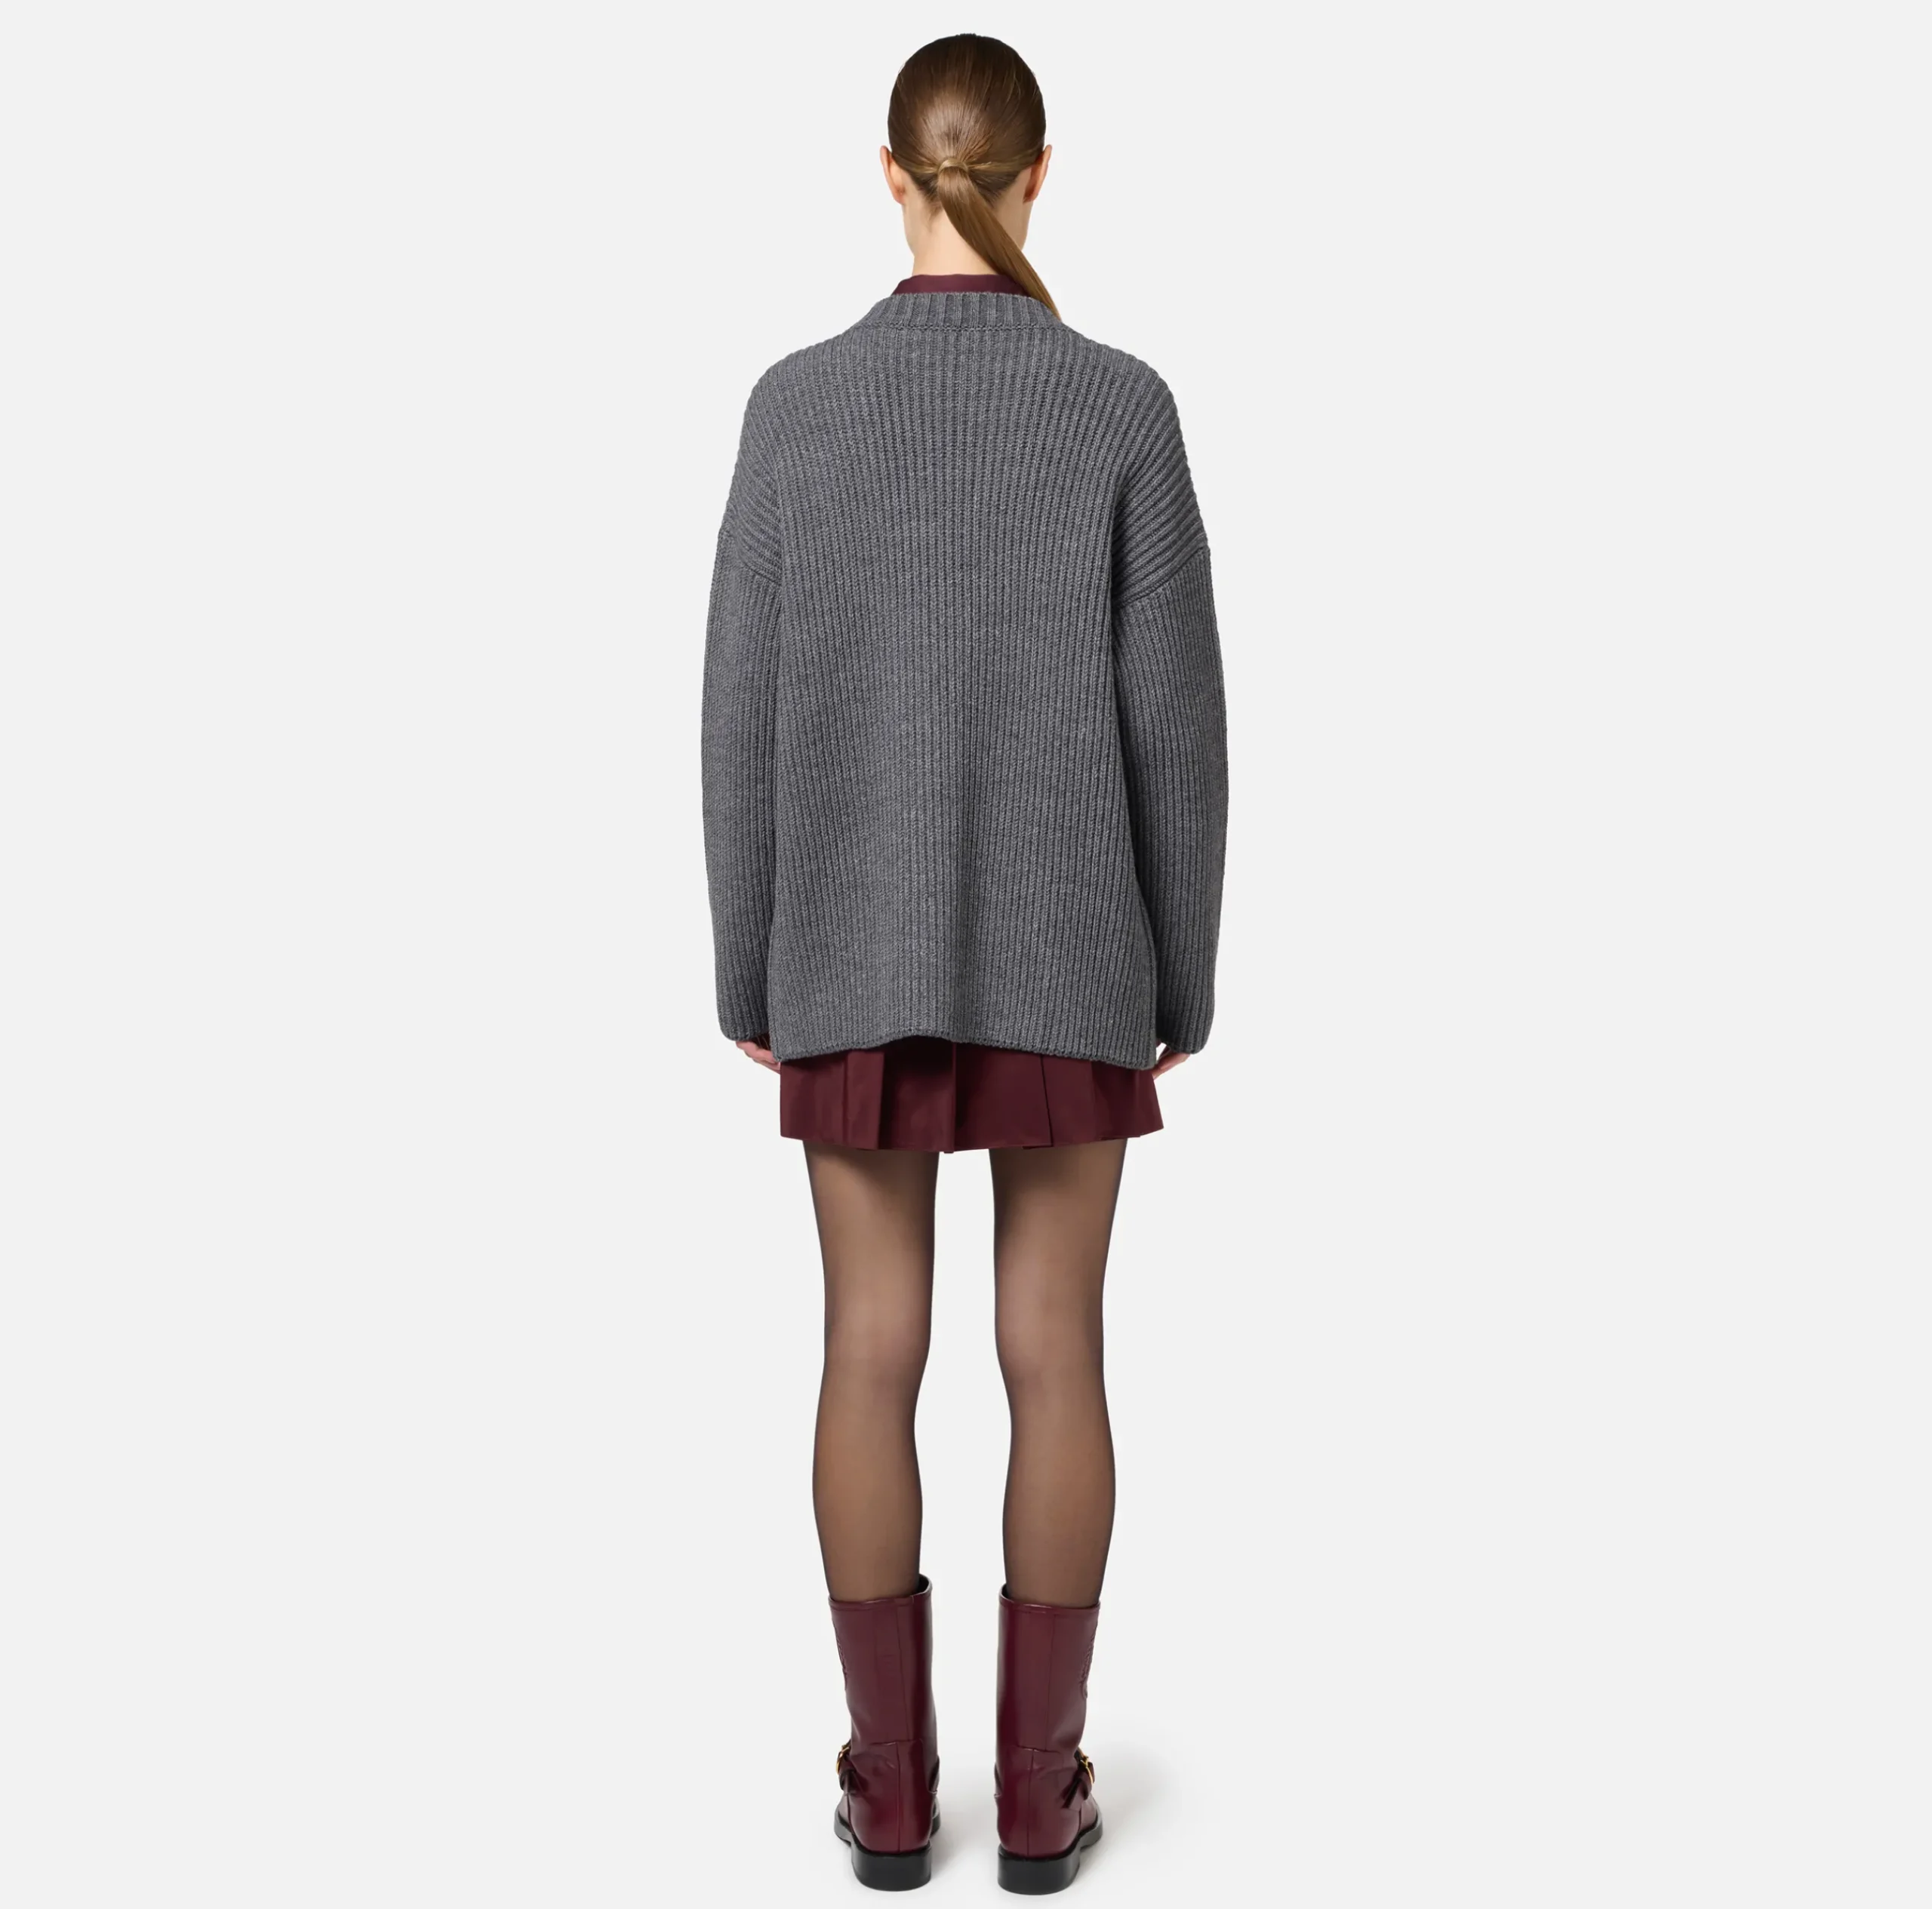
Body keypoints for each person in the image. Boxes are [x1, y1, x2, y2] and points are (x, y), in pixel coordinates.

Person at [700, 32, 1228, 1894]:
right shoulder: (1118, 406)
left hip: (845, 936)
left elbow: (736, 709)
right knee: (1053, 1348)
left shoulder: (793, 406)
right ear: (1038, 175)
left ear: (886, 174)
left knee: (866, 1345)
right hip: (1073, 950)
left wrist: (749, 964)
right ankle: (1037, 1788)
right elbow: (1179, 728)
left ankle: (891, 1788)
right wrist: (1180, 974)